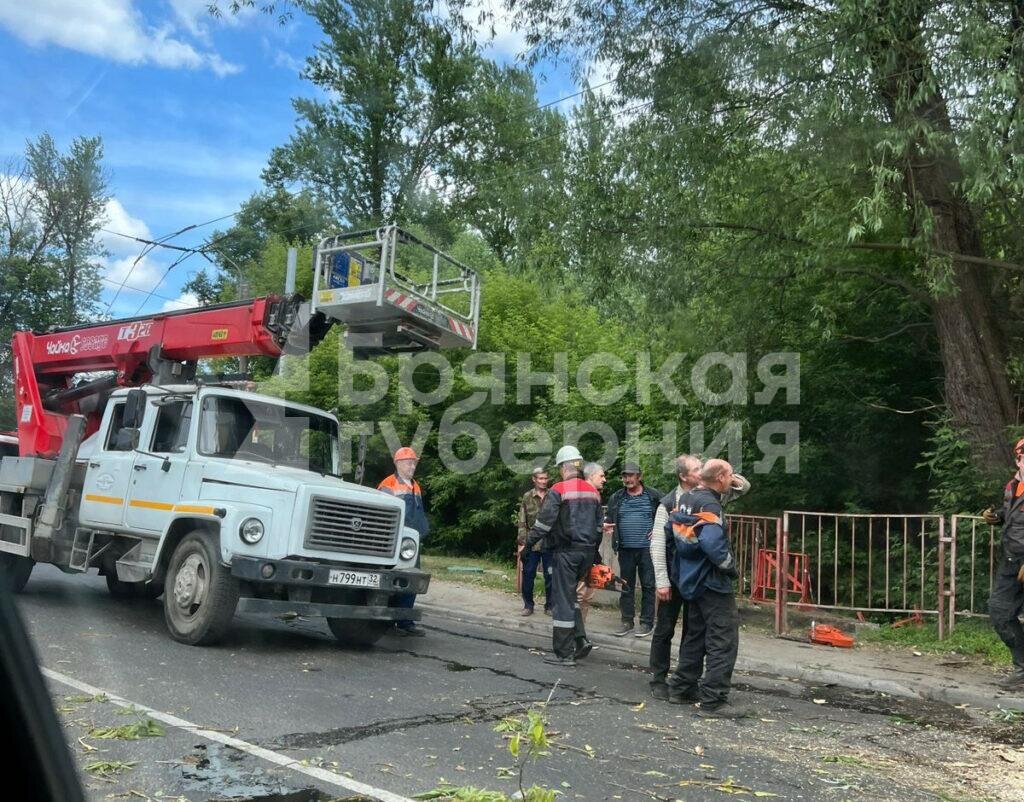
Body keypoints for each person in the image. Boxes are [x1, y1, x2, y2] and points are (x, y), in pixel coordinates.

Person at [649, 455, 750, 700]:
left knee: (694, 635)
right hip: (706, 579)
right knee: (721, 638)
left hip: (687, 577)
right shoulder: (702, 503)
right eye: (696, 468)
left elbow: (743, 486)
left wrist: (721, 473)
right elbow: (709, 544)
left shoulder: (686, 500)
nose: (698, 471)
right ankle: (712, 698)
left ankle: (681, 689)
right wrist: (730, 568)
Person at [524, 445, 603, 666]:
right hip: (586, 554)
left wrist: (528, 546)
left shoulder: (558, 490)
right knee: (571, 597)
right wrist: (594, 555)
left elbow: (542, 525)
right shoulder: (593, 491)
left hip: (566, 553)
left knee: (562, 602)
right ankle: (580, 640)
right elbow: (598, 528)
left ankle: (564, 653)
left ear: (563, 467)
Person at [982, 437, 1024, 689]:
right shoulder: (1013, 485)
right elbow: (1014, 514)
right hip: (1012, 561)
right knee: (1000, 611)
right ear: (1017, 457)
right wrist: (997, 516)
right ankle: (1022, 670)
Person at [605, 463, 662, 637]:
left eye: (631, 475)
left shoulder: (653, 495)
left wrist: (660, 528)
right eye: (625, 476)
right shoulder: (617, 497)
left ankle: (646, 623)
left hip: (647, 549)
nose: (627, 479)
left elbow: (669, 511)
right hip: (625, 549)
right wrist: (606, 525)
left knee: (648, 585)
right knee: (626, 585)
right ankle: (626, 621)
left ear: (639, 476)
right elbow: (608, 517)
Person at [377, 446, 429, 637]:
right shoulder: (388, 484)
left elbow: (418, 513)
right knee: (392, 579)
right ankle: (390, 618)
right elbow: (382, 514)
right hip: (393, 541)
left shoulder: (415, 486)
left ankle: (404, 620)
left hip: (411, 543)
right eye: (409, 462)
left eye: (414, 462)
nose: (412, 466)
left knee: (411, 579)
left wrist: (422, 532)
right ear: (398, 463)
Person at [517, 467, 552, 616]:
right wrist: (522, 543)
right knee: (528, 573)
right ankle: (528, 605)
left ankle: (550, 606)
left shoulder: (554, 495)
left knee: (551, 575)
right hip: (532, 542)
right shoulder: (527, 497)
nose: (543, 481)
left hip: (550, 542)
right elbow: (522, 521)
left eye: (545, 478)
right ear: (534, 479)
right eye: (540, 478)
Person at [576, 462, 607, 623]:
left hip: (589, 553)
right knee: (581, 595)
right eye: (601, 476)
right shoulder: (586, 495)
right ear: (591, 476)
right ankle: (574, 633)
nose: (605, 479)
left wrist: (601, 526)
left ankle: (579, 633)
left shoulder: (592, 494)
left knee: (586, 595)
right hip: (582, 554)